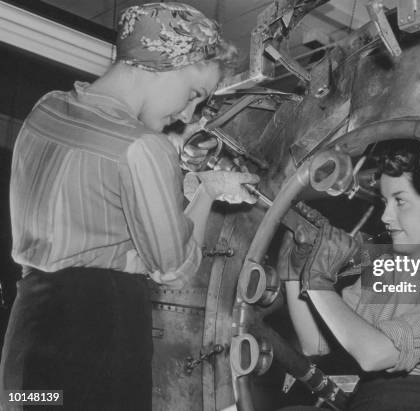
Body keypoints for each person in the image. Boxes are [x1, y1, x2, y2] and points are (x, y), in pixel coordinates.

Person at [0, 3, 258, 410]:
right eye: (193, 94)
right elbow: (173, 266)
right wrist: (206, 192)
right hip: (99, 336)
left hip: (27, 330)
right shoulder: (142, 146)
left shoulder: (46, 108)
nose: (188, 113)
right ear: (164, 62)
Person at [280, 148, 420, 411]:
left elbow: (374, 354)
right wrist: (296, 273)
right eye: (385, 202)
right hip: (369, 399)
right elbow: (314, 343)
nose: (385, 217)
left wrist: (318, 281)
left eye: (400, 201)